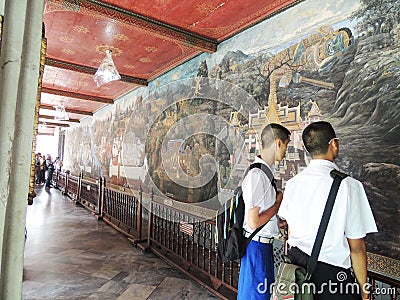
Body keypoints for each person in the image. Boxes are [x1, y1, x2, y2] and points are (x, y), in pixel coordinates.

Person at [278, 121, 377, 300]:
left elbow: (290, 230)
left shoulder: (293, 184)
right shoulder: (349, 186)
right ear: (334, 144)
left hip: (297, 275)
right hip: (333, 280)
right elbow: (357, 247)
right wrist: (364, 290)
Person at [238, 123, 291, 299]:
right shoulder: (257, 175)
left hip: (263, 246)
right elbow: (253, 221)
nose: (286, 150)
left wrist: (277, 220)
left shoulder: (265, 174)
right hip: (256, 247)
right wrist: (278, 203)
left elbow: (262, 214)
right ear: (278, 143)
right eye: (286, 145)